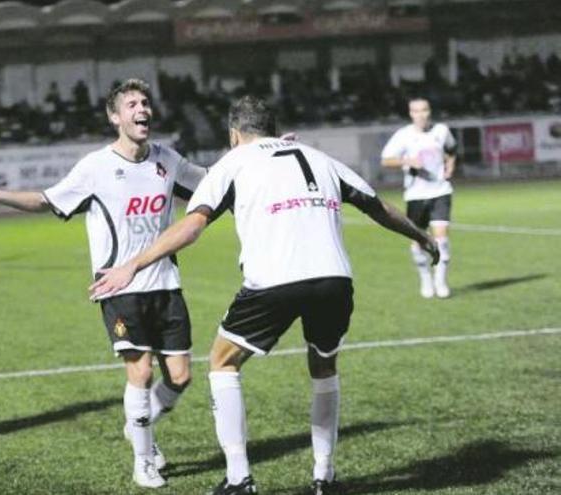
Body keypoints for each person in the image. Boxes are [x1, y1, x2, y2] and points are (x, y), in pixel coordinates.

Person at [90, 96, 439, 495]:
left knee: (223, 362)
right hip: (334, 279)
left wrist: (133, 264)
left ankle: (239, 479)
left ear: (234, 134)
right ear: (274, 128)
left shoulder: (233, 162)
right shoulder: (316, 156)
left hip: (274, 279)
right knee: (324, 367)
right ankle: (324, 477)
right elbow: (377, 207)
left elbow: (191, 227)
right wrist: (421, 235)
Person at [0, 78, 205, 489]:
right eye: (131, 105)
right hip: (118, 286)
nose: (142, 109)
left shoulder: (168, 160)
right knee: (140, 374)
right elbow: (47, 200)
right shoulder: (95, 167)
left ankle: (137, 424)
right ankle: (144, 460)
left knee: (180, 377)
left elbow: (213, 181)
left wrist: (257, 156)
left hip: (165, 283)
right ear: (115, 117)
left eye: (145, 103)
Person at [381, 97, 456, 298]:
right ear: (410, 114)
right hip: (415, 195)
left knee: (442, 238)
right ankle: (425, 278)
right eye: (416, 111)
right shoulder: (403, 135)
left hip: (440, 191)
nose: (420, 115)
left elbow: (451, 149)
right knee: (418, 240)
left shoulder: (441, 130)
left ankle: (440, 281)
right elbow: (386, 159)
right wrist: (407, 160)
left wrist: (450, 164)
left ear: (430, 111)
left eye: (424, 110)